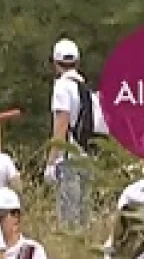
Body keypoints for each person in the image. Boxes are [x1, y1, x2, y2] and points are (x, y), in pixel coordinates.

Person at [45, 38, 91, 230]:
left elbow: (61, 124)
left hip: (69, 158)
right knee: (84, 215)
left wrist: (51, 161)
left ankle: (71, 253)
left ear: (56, 63)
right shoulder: (83, 87)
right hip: (87, 155)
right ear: (77, 62)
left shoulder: (62, 87)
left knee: (69, 218)